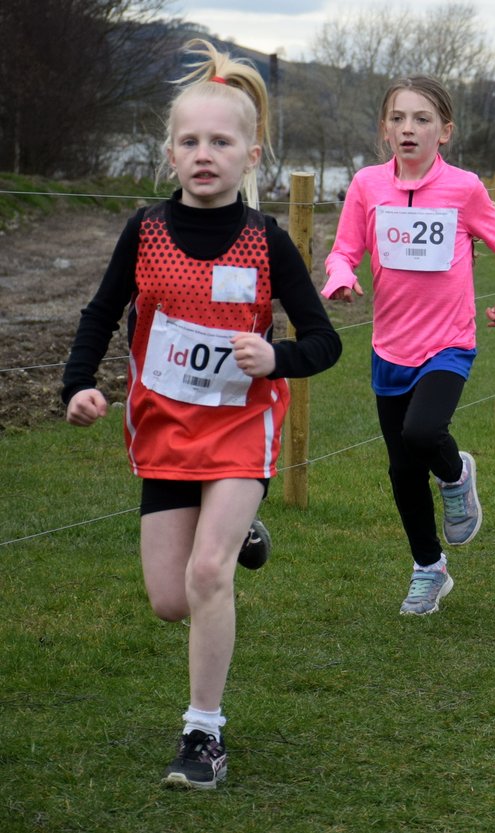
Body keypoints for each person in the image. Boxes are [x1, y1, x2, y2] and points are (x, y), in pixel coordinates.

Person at [60, 39, 342, 789]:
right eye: (190, 141)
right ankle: (239, 525)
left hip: (242, 428)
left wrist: (275, 356)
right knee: (168, 599)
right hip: (164, 428)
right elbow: (98, 313)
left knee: (210, 571)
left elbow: (323, 341)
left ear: (252, 154)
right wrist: (78, 385)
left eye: (221, 141)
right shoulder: (144, 231)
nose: (204, 153)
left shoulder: (266, 240)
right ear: (169, 153)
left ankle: (203, 732)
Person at [322, 76, 495, 614]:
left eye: (421, 119)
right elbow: (345, 248)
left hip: (448, 343)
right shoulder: (368, 185)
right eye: (398, 118)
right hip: (389, 345)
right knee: (400, 469)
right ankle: (429, 567)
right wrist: (340, 276)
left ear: (445, 131)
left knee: (423, 431)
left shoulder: (464, 188)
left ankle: (457, 474)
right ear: (385, 130)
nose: (408, 128)